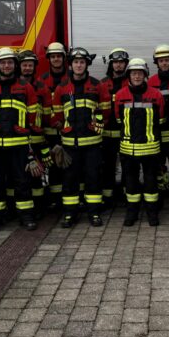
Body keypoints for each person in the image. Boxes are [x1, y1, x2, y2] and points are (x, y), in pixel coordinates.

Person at [0, 48, 40, 232]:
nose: (7, 65)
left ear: (15, 65)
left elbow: (32, 113)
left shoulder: (25, 87)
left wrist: (21, 129)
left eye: (10, 62)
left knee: (22, 181)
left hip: (19, 145)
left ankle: (26, 216)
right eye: (3, 62)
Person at [51, 47, 112, 228]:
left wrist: (99, 123)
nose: (79, 65)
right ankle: (70, 213)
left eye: (82, 62)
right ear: (71, 64)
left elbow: (105, 110)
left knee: (93, 178)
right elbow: (56, 113)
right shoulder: (62, 88)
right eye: (76, 62)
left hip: (92, 145)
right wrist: (60, 126)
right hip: (70, 145)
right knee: (70, 180)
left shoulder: (97, 85)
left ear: (87, 64)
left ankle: (94, 213)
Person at [115, 58, 165, 226]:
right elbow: (117, 119)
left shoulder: (156, 95)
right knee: (131, 183)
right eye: (133, 73)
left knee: (151, 183)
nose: (136, 76)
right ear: (128, 75)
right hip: (128, 149)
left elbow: (162, 119)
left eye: (140, 73)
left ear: (145, 75)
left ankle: (152, 213)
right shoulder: (120, 95)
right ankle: (132, 213)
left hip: (150, 149)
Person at [18, 49, 53, 217]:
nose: (27, 68)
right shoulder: (14, 87)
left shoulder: (42, 88)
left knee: (37, 176)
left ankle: (39, 208)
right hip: (17, 140)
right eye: (24, 65)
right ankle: (17, 209)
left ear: (34, 67)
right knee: (19, 176)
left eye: (30, 65)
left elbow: (47, 114)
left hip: (37, 138)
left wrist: (46, 136)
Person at [147, 44, 169, 202]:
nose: (164, 63)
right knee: (158, 164)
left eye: (167, 60)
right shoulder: (151, 81)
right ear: (157, 63)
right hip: (157, 131)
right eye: (161, 61)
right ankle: (161, 192)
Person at [39, 42, 70, 206]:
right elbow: (42, 105)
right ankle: (56, 200)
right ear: (49, 59)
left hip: (69, 130)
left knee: (69, 165)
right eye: (53, 57)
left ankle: (70, 197)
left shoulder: (72, 77)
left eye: (59, 56)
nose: (56, 59)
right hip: (50, 131)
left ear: (64, 58)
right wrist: (53, 120)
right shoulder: (42, 80)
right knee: (53, 166)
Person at [101, 48, 129, 208]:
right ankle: (108, 197)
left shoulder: (130, 82)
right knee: (108, 166)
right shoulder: (103, 83)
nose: (118, 65)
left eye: (121, 62)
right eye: (116, 62)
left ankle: (127, 195)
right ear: (111, 64)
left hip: (125, 133)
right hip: (107, 134)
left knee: (127, 166)